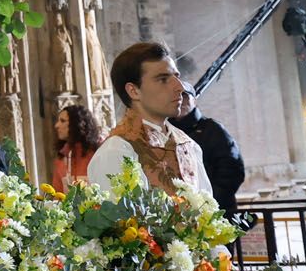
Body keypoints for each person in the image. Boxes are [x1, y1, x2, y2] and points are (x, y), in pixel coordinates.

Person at [87, 42, 208, 195]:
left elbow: (207, 209)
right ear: (134, 91)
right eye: (163, 79)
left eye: (177, 77)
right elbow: (120, 217)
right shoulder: (116, 152)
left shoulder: (188, 145)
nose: (180, 87)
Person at [172, 83, 245, 215]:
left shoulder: (213, 130)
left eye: (185, 96)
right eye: (176, 96)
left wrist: (208, 200)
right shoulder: (167, 132)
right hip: (179, 212)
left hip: (215, 212)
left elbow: (232, 170)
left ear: (195, 100)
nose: (180, 100)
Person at [50, 102, 105, 188]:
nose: (56, 125)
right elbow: (57, 195)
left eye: (63, 121)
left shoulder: (99, 153)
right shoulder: (61, 158)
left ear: (78, 123)